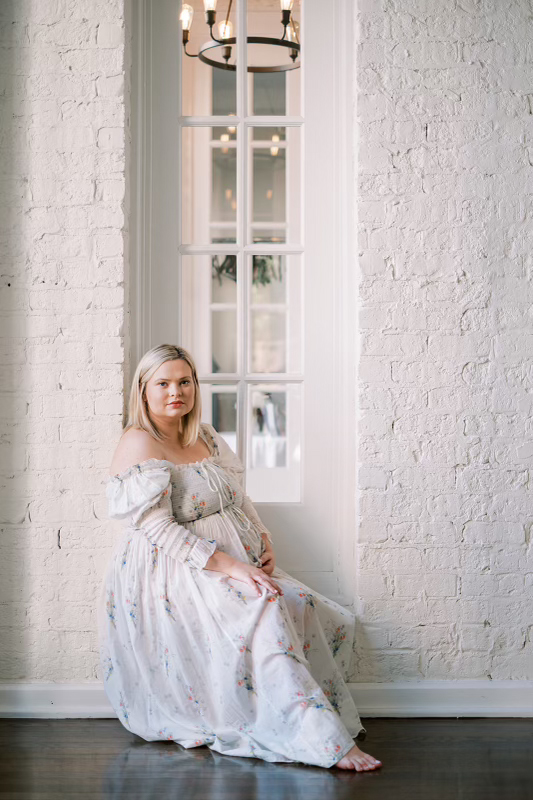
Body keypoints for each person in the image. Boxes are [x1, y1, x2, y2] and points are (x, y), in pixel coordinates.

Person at [97, 344, 383, 772]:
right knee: (263, 609)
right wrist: (235, 567)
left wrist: (263, 538)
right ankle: (321, 741)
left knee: (303, 605)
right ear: (143, 390)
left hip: (232, 560)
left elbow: (237, 497)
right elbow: (158, 530)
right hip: (175, 570)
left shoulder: (204, 435)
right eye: (163, 383)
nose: (176, 391)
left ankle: (307, 714)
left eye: (184, 382)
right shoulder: (139, 442)